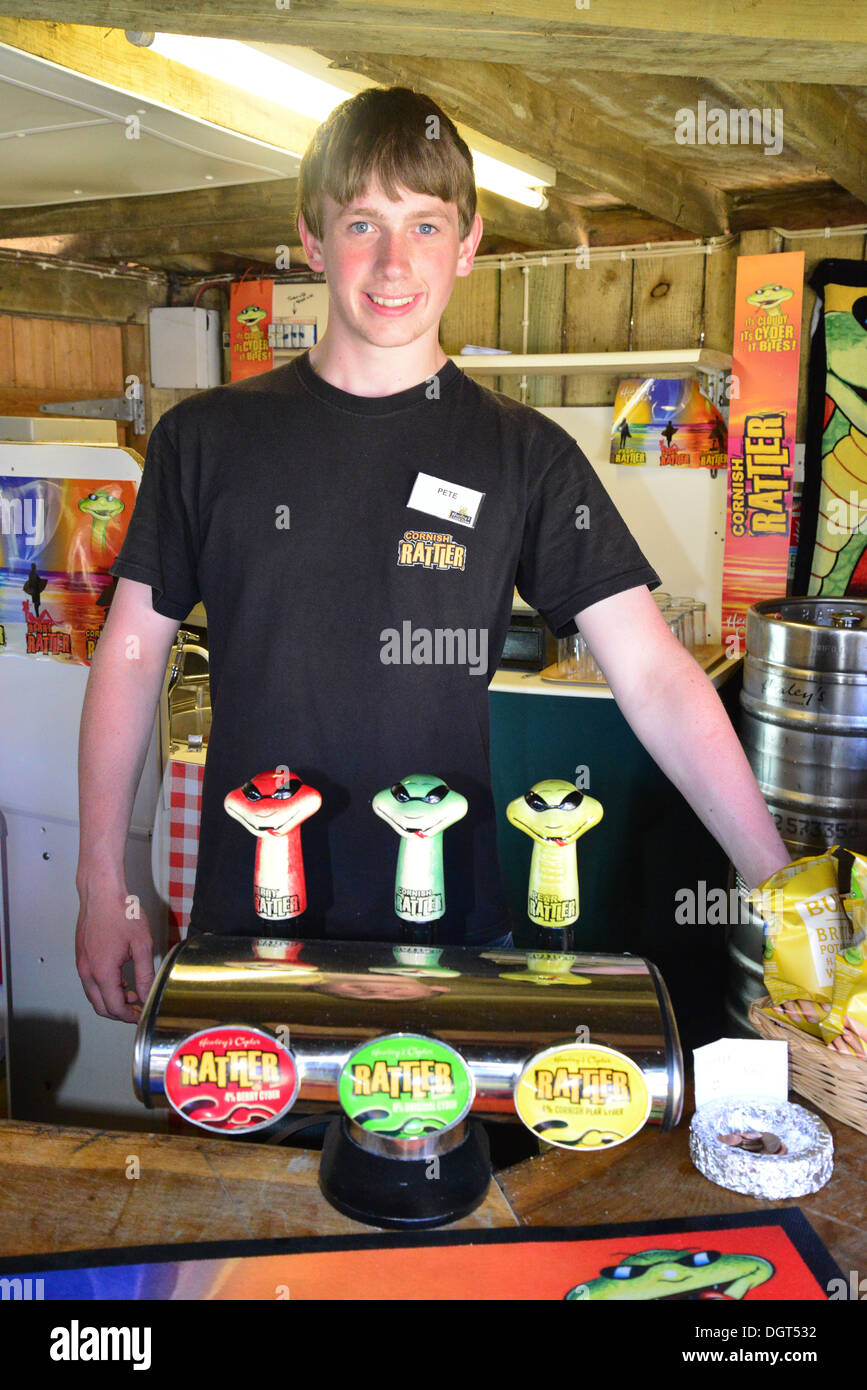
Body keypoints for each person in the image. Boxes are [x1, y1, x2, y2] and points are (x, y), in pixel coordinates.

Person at [75, 87, 790, 1023]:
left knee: (435, 1173)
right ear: (312, 237)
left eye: (424, 224)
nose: (392, 261)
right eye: (362, 222)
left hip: (449, 940)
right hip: (244, 933)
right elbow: (130, 657)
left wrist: (777, 888)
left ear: (467, 243)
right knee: (249, 1178)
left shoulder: (523, 455)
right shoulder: (206, 439)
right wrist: (105, 882)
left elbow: (654, 674)